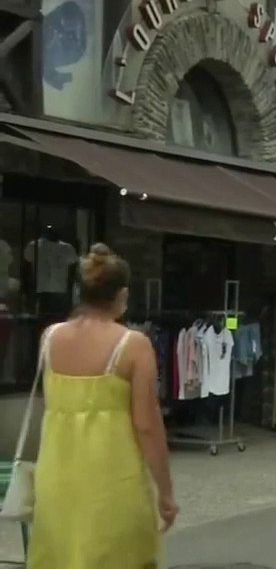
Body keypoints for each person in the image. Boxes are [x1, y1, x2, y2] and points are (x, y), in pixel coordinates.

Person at [29, 243, 177, 568]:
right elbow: (147, 425)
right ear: (122, 295)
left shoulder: (50, 338)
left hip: (57, 481)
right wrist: (165, 492)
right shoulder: (133, 345)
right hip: (112, 484)